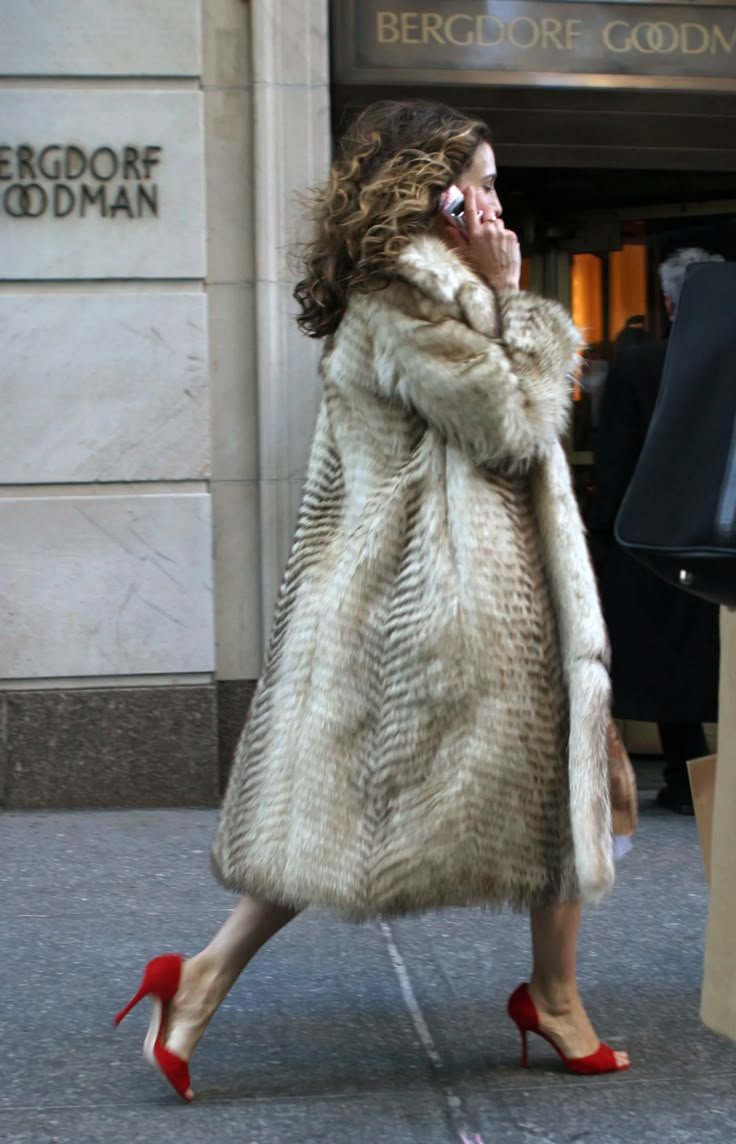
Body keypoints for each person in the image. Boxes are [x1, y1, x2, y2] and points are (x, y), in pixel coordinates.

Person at [114, 100, 629, 1100]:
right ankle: (205, 975)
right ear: (423, 194)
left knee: (561, 790)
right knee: (361, 805)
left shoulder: (430, 296)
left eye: (492, 183)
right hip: (442, 612)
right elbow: (512, 429)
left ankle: (554, 994)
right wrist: (517, 297)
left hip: (496, 598)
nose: (491, 204)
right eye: (473, 183)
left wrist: (493, 298)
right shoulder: (403, 302)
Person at [588, 248, 723, 814]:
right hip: (724, 532)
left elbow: (615, 461)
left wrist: (600, 536)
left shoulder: (639, 367)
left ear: (667, 303)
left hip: (661, 538)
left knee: (672, 659)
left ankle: (687, 774)